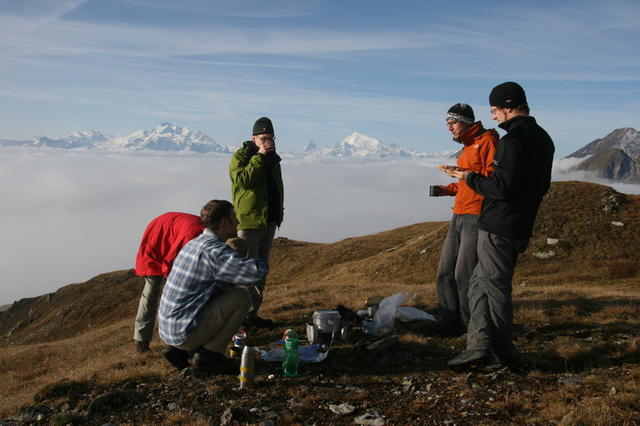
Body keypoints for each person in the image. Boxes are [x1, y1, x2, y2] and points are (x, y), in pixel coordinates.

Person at [445, 82, 555, 369]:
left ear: (508, 107)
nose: (493, 116)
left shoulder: (510, 142)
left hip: (499, 227)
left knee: (494, 288)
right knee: (479, 284)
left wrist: (469, 178)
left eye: (494, 110)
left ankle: (505, 353)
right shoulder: (544, 139)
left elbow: (501, 188)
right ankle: (478, 344)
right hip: (519, 224)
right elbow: (541, 185)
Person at [157, 200, 268, 373]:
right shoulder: (215, 252)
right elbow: (254, 273)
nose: (238, 222)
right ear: (224, 222)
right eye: (234, 218)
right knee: (242, 297)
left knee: (223, 290)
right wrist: (259, 258)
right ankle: (210, 355)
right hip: (184, 332)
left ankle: (178, 351)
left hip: (168, 329)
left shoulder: (194, 244)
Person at [431, 103, 498, 336]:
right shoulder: (466, 147)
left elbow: (491, 180)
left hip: (476, 215)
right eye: (447, 123)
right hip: (458, 214)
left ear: (467, 122)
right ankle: (449, 325)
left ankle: (472, 326)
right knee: (444, 272)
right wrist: (446, 189)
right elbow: (464, 183)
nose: (449, 127)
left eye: (453, 122)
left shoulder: (488, 141)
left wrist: (465, 176)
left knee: (464, 274)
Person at [229, 117, 284, 328]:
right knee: (246, 272)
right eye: (264, 138)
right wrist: (259, 157)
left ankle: (252, 315)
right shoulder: (241, 157)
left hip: (268, 221)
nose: (268, 141)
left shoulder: (273, 158)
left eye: (271, 138)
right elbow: (243, 181)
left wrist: (277, 214)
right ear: (254, 138)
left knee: (261, 270)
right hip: (249, 223)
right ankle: (238, 318)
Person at [132, 212, 204, 353]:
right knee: (151, 292)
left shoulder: (213, 237)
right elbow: (170, 262)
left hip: (171, 232)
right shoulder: (194, 237)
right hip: (157, 239)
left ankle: (173, 337)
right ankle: (141, 341)